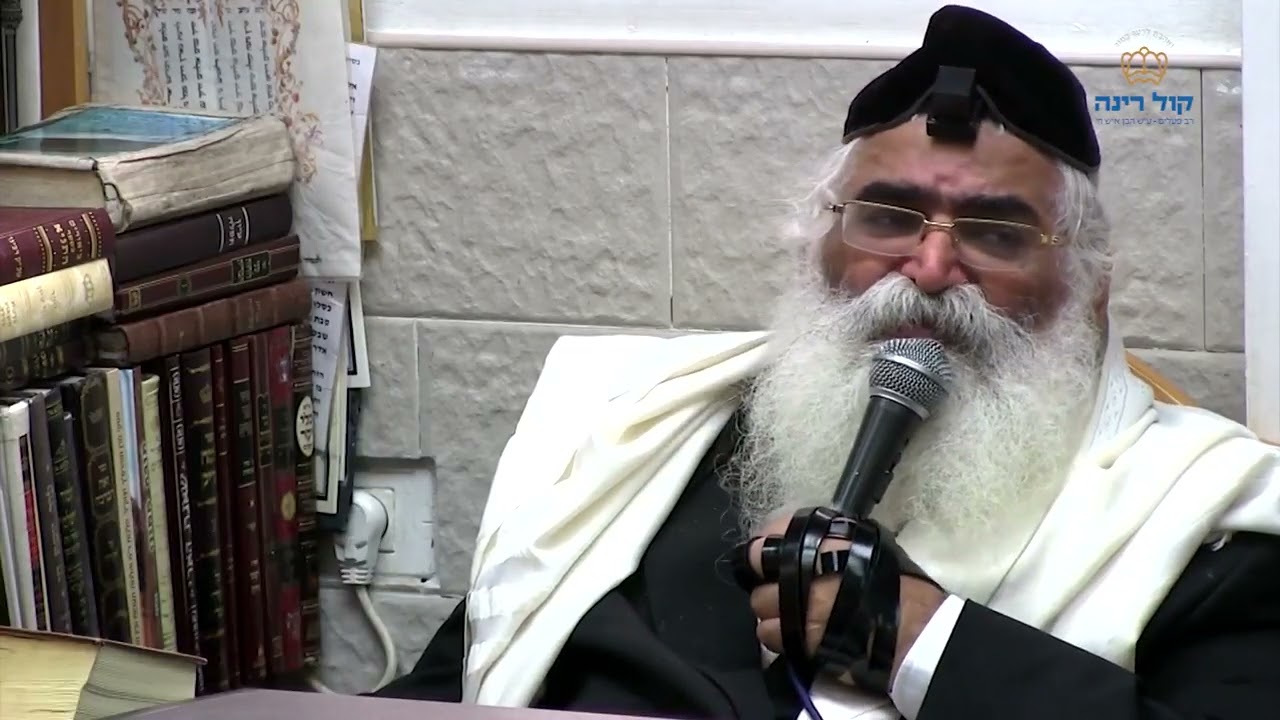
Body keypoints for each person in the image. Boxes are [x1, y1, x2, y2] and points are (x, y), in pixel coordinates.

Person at [375, 5, 1280, 719]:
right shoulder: (630, 434)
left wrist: (921, 643)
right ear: (821, 244)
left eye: (996, 233)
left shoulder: (1202, 523)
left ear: (1088, 289)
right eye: (886, 219)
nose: (930, 268)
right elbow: (452, 684)